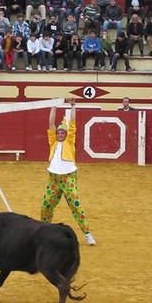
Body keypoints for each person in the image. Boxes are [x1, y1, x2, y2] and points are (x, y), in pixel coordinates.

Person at [41, 98, 95, 246]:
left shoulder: (69, 140)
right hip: (53, 178)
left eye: (61, 132)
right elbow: (51, 123)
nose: (59, 134)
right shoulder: (52, 140)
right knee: (46, 205)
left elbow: (72, 123)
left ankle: (88, 233)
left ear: (65, 134)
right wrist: (54, 105)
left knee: (75, 206)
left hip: (68, 178)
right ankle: (43, 232)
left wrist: (72, 105)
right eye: (58, 132)